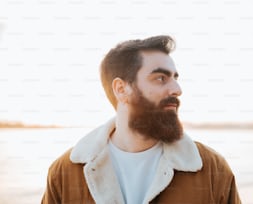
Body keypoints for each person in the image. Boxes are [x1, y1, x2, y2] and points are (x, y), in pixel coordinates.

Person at [41, 35, 241, 204]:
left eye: (175, 78)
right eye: (161, 78)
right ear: (121, 89)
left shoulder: (212, 169)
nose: (177, 90)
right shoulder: (65, 172)